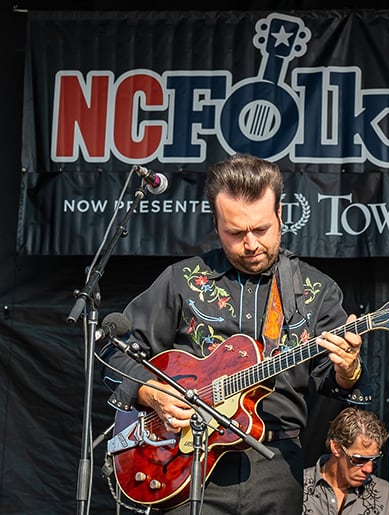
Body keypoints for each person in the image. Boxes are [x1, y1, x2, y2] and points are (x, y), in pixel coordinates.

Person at [102, 153, 372, 514]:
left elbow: (333, 379)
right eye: (235, 232)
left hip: (274, 463)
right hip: (184, 461)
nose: (250, 244)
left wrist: (348, 367)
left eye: (261, 229)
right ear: (216, 225)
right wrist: (151, 393)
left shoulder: (316, 290)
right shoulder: (182, 281)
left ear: (280, 217)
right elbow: (115, 351)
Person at [303, 407, 389, 514]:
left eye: (374, 459)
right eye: (359, 459)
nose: (369, 469)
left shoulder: (386, 497)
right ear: (336, 448)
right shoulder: (298, 487)